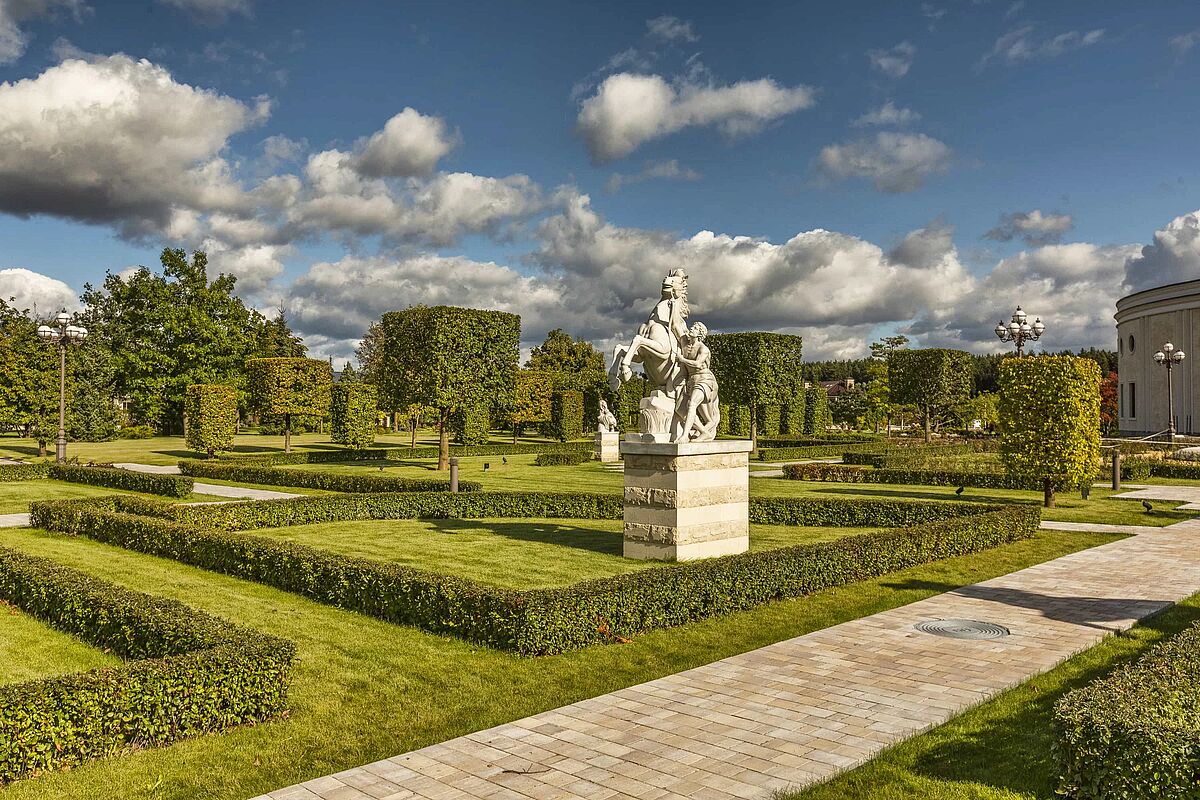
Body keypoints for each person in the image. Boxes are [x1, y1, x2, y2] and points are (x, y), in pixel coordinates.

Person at [672, 321, 720, 443]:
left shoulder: (703, 349)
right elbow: (675, 325)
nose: (691, 328)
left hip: (704, 380)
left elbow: (698, 364)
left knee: (691, 404)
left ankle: (683, 436)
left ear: (700, 334)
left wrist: (682, 359)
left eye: (695, 328)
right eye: (692, 327)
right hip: (691, 382)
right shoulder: (685, 343)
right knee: (680, 409)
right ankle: (704, 432)